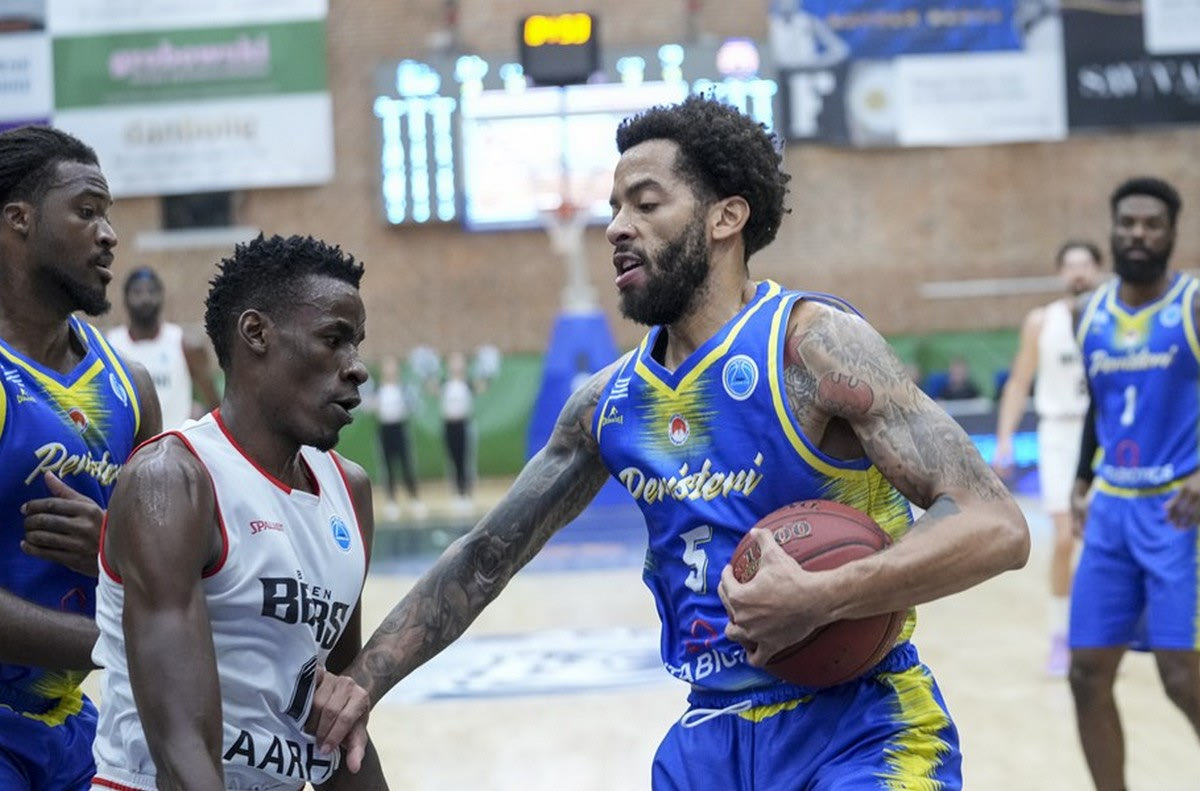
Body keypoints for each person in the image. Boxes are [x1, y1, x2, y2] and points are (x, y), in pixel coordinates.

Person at [328, 95, 1029, 789]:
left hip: (862, 727)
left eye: (645, 203)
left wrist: (824, 595)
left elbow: (994, 523)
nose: (616, 227)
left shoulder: (811, 347)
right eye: (614, 208)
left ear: (726, 217)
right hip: (708, 741)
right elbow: (485, 557)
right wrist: (360, 682)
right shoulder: (606, 405)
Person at [90, 234, 385, 789]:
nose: (357, 368)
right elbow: (180, 750)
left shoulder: (351, 491)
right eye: (334, 340)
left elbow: (337, 726)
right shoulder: (171, 481)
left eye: (357, 345)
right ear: (256, 333)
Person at [0, 125, 161, 789]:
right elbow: (154, 624)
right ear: (19, 220)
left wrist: (115, 548)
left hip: (73, 729)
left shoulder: (131, 387)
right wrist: (125, 644)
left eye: (109, 215)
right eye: (87, 211)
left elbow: (175, 572)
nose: (109, 235)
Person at [1068, 177, 1200, 791]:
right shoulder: (1089, 313)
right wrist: (1080, 477)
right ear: (1113, 230)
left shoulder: (1193, 305)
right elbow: (1101, 403)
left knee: (1182, 678)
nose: (1138, 234)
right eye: (1128, 224)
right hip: (1112, 510)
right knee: (1086, 674)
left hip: (1179, 513)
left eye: (1151, 225)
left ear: (1172, 233)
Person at [993, 240, 1104, 677]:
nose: (1078, 272)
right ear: (1060, 274)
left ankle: (1100, 632)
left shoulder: (1112, 315)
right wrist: (1004, 439)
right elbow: (1019, 382)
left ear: (1098, 270)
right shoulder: (1042, 321)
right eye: (1070, 265)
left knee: (1102, 543)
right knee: (1063, 539)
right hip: (1059, 432)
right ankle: (1060, 635)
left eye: (1085, 264)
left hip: (1104, 433)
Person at [107, 265, 221, 429]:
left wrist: (198, 422)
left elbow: (214, 404)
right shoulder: (110, 345)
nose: (145, 298)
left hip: (176, 440)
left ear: (161, 296)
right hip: (130, 443)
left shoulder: (185, 344)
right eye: (137, 292)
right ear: (125, 298)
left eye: (151, 291)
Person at [373, 354, 425, 521]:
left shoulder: (403, 388)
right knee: (388, 465)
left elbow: (414, 406)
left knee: (406, 464)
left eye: (392, 366)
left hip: (400, 428)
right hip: (385, 429)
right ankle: (391, 501)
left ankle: (414, 499)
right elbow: (369, 406)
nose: (390, 370)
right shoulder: (378, 389)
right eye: (386, 367)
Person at [439, 350, 477, 514]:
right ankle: (456, 493)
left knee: (464, 459)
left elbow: (481, 387)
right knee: (452, 459)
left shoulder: (467, 384)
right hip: (449, 425)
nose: (456, 365)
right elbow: (432, 389)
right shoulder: (445, 384)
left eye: (459, 362)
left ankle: (466, 493)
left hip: (463, 425)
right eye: (453, 362)